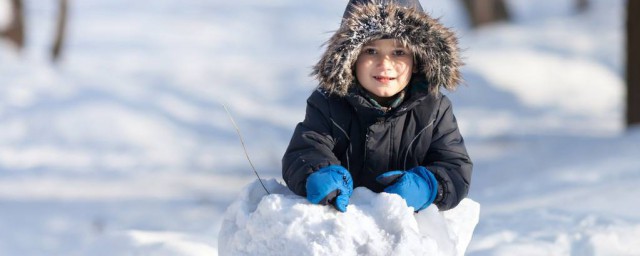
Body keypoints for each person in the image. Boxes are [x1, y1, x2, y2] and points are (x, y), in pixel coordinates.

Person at [282, 0, 472, 213]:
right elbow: (306, 149)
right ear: (351, 57)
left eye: (399, 52)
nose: (384, 64)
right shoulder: (328, 103)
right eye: (371, 51)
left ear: (417, 59)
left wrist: (427, 186)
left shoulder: (434, 109)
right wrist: (320, 172)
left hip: (409, 229)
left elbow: (454, 165)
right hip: (340, 221)